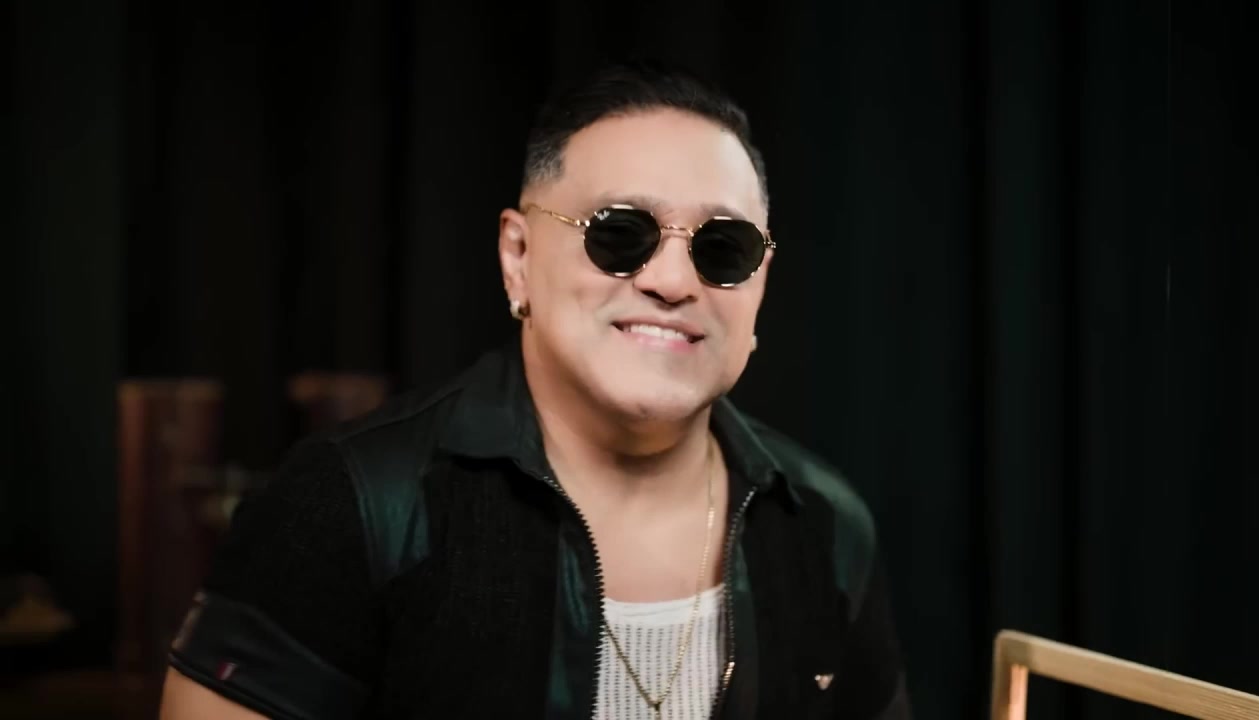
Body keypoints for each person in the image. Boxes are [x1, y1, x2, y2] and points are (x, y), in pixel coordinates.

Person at [158, 58, 911, 720]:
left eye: (724, 248)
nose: (673, 280)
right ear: (517, 256)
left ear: (759, 285)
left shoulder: (823, 526)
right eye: (620, 233)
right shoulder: (352, 504)